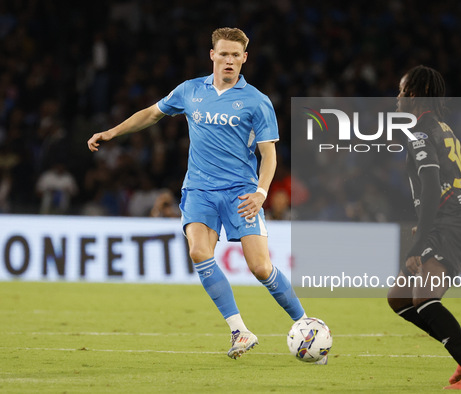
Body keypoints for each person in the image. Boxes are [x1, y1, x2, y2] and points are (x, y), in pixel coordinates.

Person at [87, 27, 308, 359]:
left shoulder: (257, 102)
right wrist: (112, 132)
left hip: (242, 193)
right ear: (213, 55)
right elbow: (151, 114)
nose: (229, 60)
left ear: (244, 58)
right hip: (199, 190)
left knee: (260, 267)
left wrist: (262, 192)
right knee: (198, 253)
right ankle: (240, 331)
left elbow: (269, 154)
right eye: (224, 54)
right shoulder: (191, 90)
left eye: (236, 55)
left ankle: (306, 324)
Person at [387, 66, 461, 389]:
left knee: (424, 298)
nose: (398, 98)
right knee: (399, 298)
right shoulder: (441, 128)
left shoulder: (421, 132)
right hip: (446, 222)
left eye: (403, 92)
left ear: (416, 96)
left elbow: (432, 187)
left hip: (453, 226)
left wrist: (419, 242)